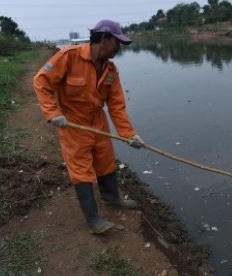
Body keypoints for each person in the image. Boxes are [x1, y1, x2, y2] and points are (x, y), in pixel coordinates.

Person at [33, 19, 144, 234]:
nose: (119, 48)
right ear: (104, 39)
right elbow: (41, 82)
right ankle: (93, 220)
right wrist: (53, 113)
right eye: (116, 43)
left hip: (97, 122)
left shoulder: (111, 70)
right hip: (74, 124)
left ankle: (111, 198)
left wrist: (129, 135)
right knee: (81, 169)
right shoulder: (69, 57)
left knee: (105, 160)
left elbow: (117, 107)